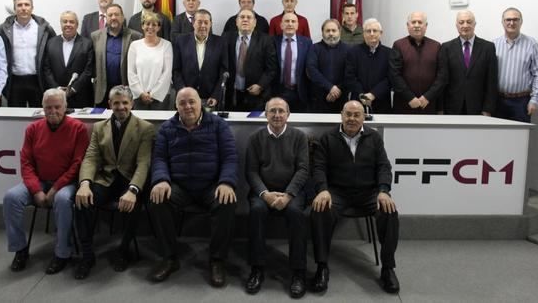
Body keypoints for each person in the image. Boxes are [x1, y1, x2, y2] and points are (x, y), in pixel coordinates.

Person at [148, 87, 238, 287]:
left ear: (201, 103)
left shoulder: (218, 125)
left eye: (192, 102)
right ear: (176, 106)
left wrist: (226, 182)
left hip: (211, 185)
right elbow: (159, 159)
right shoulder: (166, 129)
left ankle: (217, 260)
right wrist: (161, 179)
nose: (188, 106)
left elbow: (230, 158)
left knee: (227, 202)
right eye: (182, 103)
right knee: (157, 200)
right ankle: (169, 258)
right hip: (179, 186)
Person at [310, 101, 400, 294]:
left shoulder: (374, 137)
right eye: (348, 114)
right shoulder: (327, 138)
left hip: (369, 192)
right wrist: (322, 189)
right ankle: (322, 267)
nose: (351, 119)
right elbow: (318, 168)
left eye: (356, 115)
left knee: (389, 211)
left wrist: (383, 190)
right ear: (341, 115)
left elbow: (384, 167)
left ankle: (388, 269)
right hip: (337, 192)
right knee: (319, 210)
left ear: (363, 117)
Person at [2, 88, 89, 274]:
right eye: (48, 107)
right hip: (39, 182)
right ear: (43, 108)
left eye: (57, 107)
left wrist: (55, 188)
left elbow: (77, 164)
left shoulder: (78, 128)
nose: (53, 111)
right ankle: (20, 249)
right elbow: (26, 162)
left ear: (65, 107)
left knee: (63, 200)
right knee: (11, 197)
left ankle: (62, 253)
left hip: (67, 183)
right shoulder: (33, 129)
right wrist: (36, 190)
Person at [74, 85, 155, 279]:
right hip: (106, 179)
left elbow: (144, 162)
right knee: (83, 201)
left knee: (133, 205)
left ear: (132, 104)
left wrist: (133, 190)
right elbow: (91, 158)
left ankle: (124, 250)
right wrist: (84, 184)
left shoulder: (145, 128)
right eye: (116, 103)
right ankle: (87, 254)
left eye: (125, 103)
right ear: (110, 104)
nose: (121, 107)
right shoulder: (99, 127)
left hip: (130, 180)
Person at [245, 98, 309, 298]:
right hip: (264, 192)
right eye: (272, 111)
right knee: (256, 210)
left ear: (288, 114)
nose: (277, 115)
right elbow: (251, 172)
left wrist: (289, 195)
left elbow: (303, 169)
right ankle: (257, 268)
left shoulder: (299, 137)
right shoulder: (256, 138)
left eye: (281, 111)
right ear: (265, 114)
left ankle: (298, 272)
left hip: (292, 192)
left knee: (296, 213)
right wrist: (265, 194)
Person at [0, 0, 56, 107]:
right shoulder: (3, 29)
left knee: (39, 118)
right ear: (14, 8)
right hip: (14, 81)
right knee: (15, 118)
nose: (23, 8)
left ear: (32, 8)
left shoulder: (44, 28)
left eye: (27, 5)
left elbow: (53, 52)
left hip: (38, 81)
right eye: (19, 5)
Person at [438, 10, 498, 115]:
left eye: (469, 22)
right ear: (456, 25)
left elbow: (491, 81)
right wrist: (440, 108)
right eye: (461, 22)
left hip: (478, 107)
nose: (465, 25)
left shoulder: (488, 47)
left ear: (475, 24)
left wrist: (488, 109)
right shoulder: (446, 47)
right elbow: (442, 80)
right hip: (452, 107)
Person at [493, 7, 538, 123]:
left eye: (515, 19)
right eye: (508, 20)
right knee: (497, 138)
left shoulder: (531, 44)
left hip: (521, 102)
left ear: (521, 22)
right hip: (498, 101)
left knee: (520, 138)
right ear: (502, 22)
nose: (511, 23)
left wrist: (535, 100)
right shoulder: (494, 44)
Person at [172, 9, 228, 108]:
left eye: (206, 22)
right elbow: (176, 71)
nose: (203, 26)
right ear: (193, 23)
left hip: (210, 99)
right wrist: (183, 93)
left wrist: (215, 95)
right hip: (185, 99)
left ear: (210, 24)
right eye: (199, 22)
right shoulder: (180, 41)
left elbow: (223, 72)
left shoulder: (220, 42)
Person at [389, 12, 443, 114]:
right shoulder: (398, 45)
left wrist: (427, 97)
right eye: (413, 22)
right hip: (404, 104)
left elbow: (441, 76)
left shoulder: (436, 46)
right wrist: (410, 98)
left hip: (429, 104)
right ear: (408, 25)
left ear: (426, 26)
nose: (417, 25)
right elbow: (394, 75)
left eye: (420, 22)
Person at [224, 9, 277, 111]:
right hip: (232, 95)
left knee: (254, 125)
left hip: (257, 95)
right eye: (242, 17)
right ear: (236, 21)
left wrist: (260, 85)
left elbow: (272, 68)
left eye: (249, 17)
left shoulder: (266, 40)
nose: (245, 20)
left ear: (255, 22)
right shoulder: (226, 38)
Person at [91, 3, 141, 107]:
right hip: (103, 91)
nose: (113, 17)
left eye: (116, 14)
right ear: (106, 18)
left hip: (126, 89)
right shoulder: (95, 36)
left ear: (122, 17)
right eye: (110, 15)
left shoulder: (136, 36)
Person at [42, 11, 94, 108]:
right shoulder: (50, 43)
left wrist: (73, 89)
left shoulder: (87, 44)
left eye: (71, 22)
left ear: (77, 24)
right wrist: (57, 89)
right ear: (61, 24)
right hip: (55, 97)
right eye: (65, 22)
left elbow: (88, 70)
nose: (68, 24)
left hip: (80, 96)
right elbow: (46, 69)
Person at [345, 18, 392, 113]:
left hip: (381, 102)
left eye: (375, 31)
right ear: (363, 33)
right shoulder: (353, 52)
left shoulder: (389, 53)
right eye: (368, 31)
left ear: (381, 33)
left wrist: (373, 94)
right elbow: (350, 77)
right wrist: (363, 95)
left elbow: (390, 78)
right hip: (358, 103)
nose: (371, 34)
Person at [127, 12, 173, 110]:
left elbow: (167, 72)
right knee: (139, 125)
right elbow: (131, 72)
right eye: (147, 24)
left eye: (154, 24)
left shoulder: (167, 45)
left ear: (159, 28)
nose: (150, 27)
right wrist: (141, 93)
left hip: (161, 96)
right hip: (139, 96)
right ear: (142, 26)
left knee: (159, 125)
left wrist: (153, 94)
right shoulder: (134, 46)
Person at [306, 19, 350, 113]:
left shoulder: (349, 50)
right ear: (322, 32)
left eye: (334, 30)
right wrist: (330, 87)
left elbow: (350, 73)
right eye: (327, 30)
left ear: (339, 31)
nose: (331, 33)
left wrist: (337, 90)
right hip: (319, 99)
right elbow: (311, 70)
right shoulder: (314, 48)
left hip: (342, 99)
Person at [272, 12, 312, 113]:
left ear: (297, 25)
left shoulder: (307, 42)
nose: (290, 24)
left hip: (299, 91)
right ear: (281, 25)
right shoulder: (272, 41)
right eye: (287, 21)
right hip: (278, 90)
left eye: (293, 21)